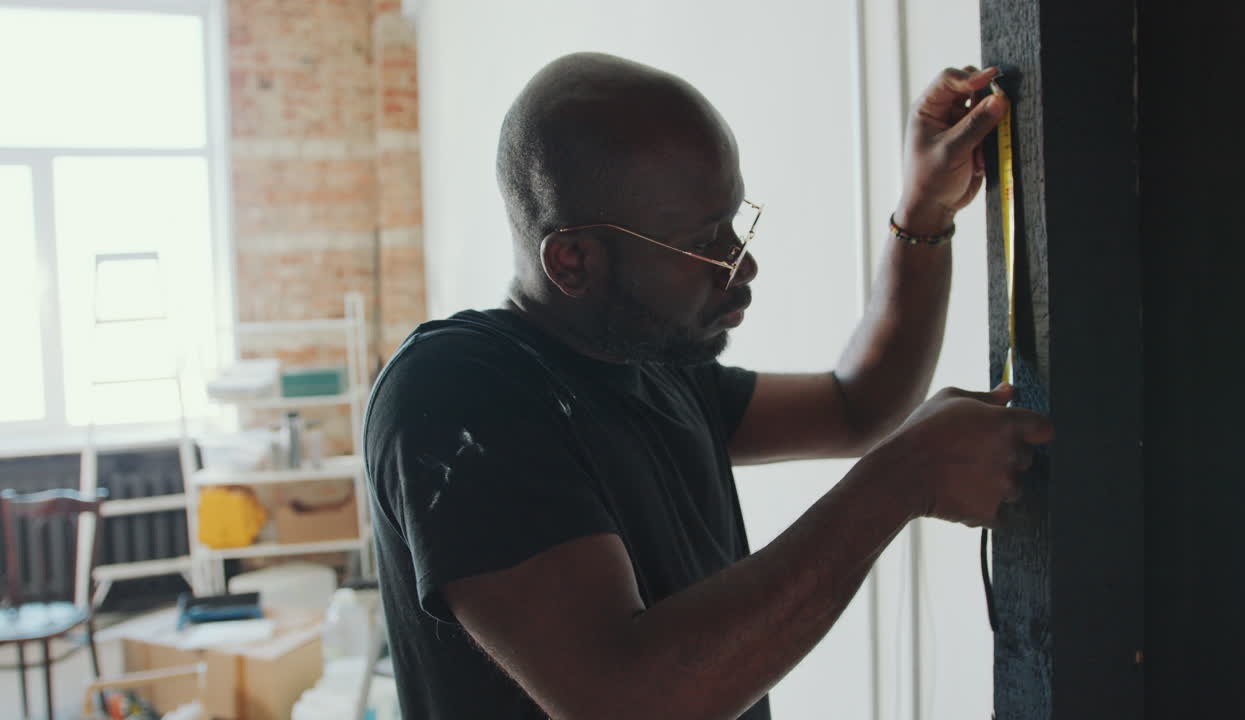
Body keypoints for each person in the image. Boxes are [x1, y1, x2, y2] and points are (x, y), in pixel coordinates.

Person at [363, 52, 1049, 720]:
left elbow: (857, 405)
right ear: (573, 259)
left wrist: (924, 210)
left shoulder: (651, 363)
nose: (742, 264)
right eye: (704, 244)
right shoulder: (457, 395)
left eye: (734, 224)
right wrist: (900, 480)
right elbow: (628, 700)